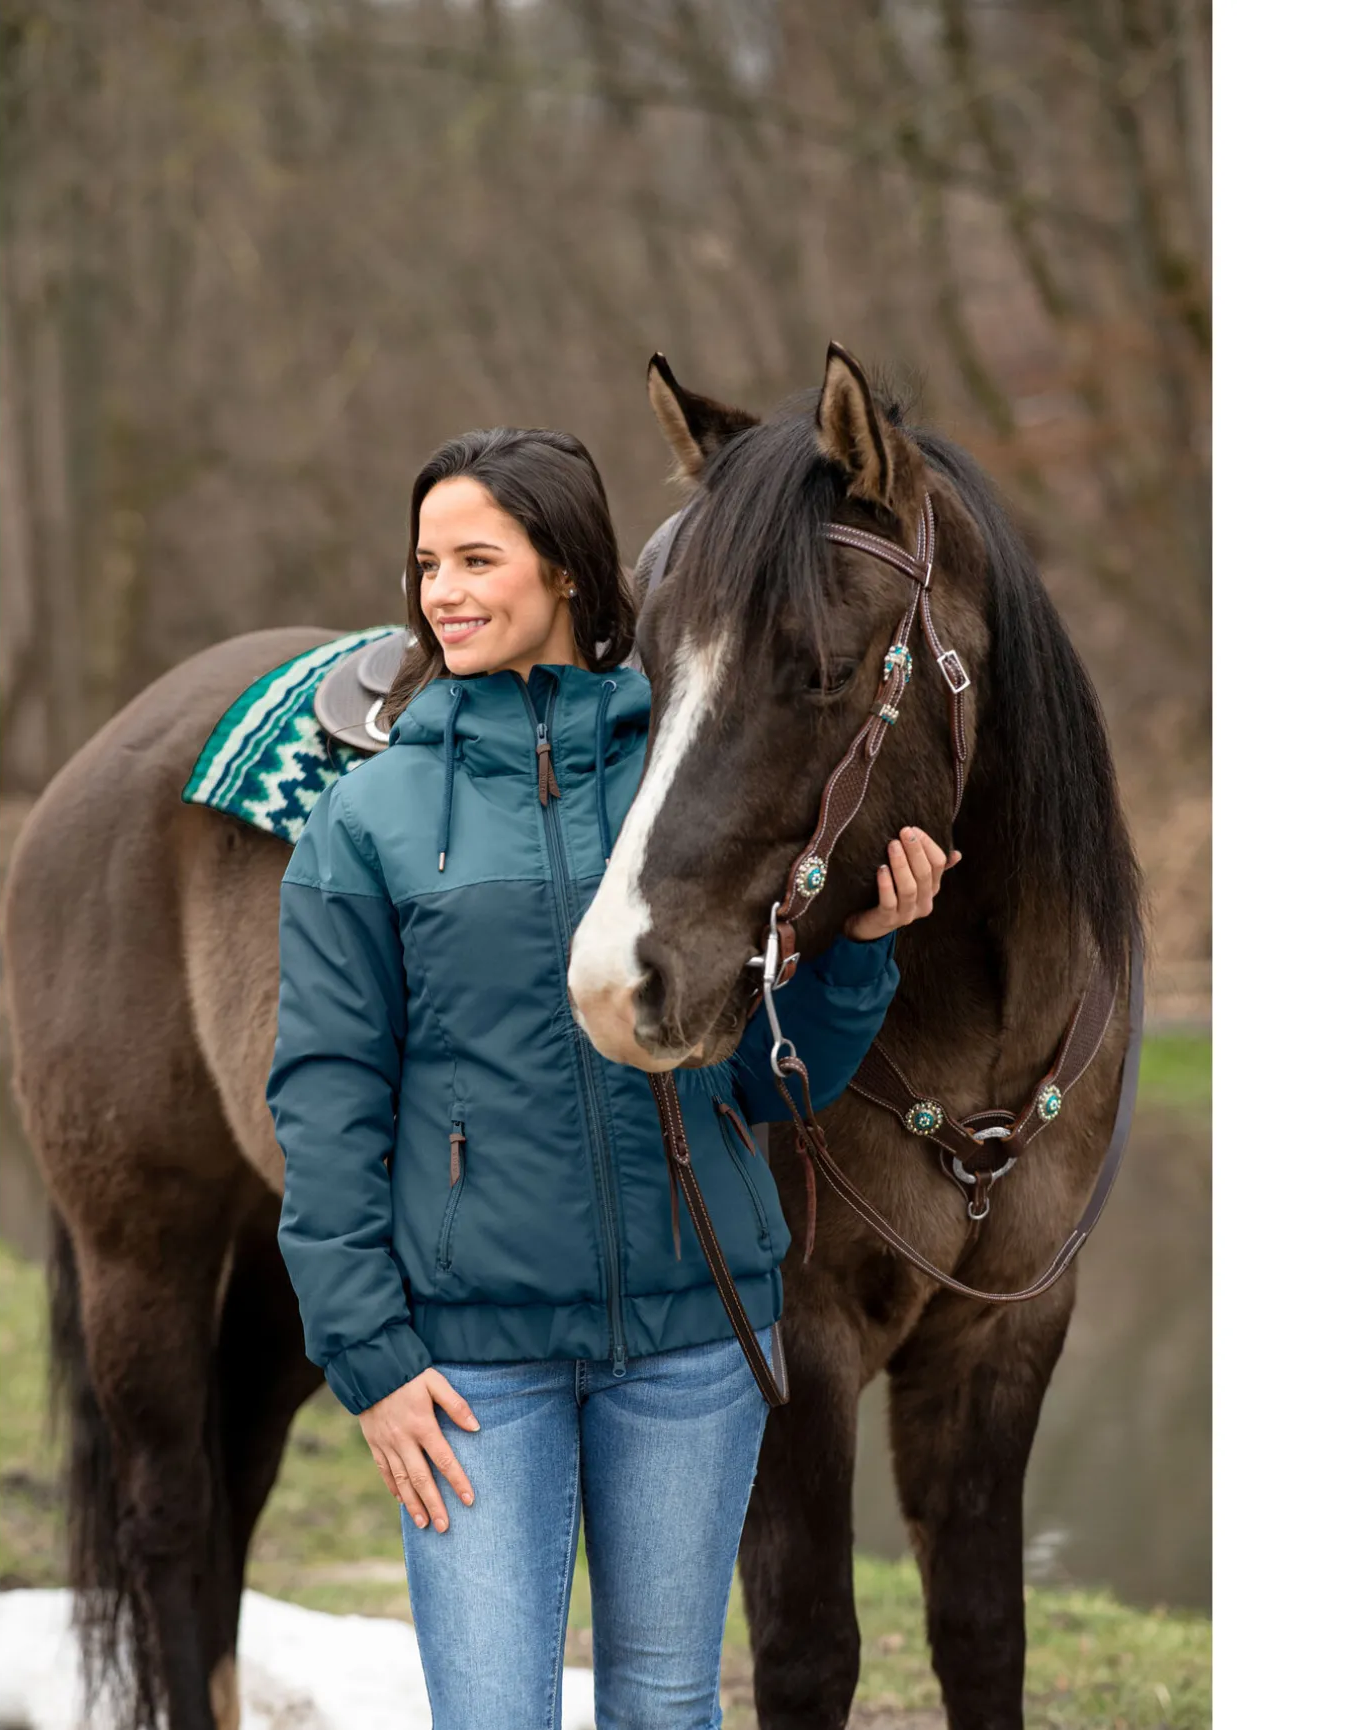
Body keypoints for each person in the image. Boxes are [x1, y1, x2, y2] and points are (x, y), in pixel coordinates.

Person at [266, 426, 957, 1730]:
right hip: (471, 1367)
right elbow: (326, 1101)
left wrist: (862, 950)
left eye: (478, 559)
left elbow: (765, 1084)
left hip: (695, 1340)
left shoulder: (683, 780)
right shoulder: (370, 818)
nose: (443, 591)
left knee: (666, 1706)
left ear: (569, 570)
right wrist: (369, 1355)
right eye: (427, 563)